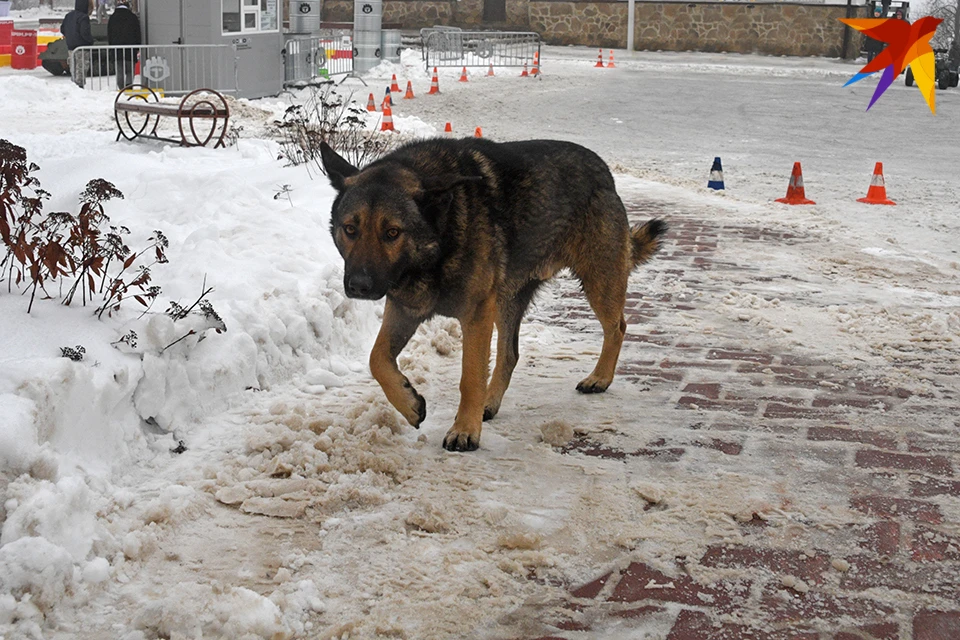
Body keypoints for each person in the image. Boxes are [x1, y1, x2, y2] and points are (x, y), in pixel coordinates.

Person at [108, 0, 141, 90]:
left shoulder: (112, 18)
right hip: (130, 49)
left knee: (119, 70)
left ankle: (121, 88)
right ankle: (129, 86)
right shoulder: (133, 17)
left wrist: (111, 47)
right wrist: (137, 47)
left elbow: (109, 34)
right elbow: (137, 33)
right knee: (130, 70)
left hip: (116, 50)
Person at [61, 0, 94, 83]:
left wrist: (69, 36)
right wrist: (91, 41)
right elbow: (85, 33)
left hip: (71, 47)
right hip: (82, 48)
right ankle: (80, 87)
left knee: (73, 70)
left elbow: (62, 29)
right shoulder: (84, 17)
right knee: (81, 70)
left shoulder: (68, 16)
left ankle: (75, 88)